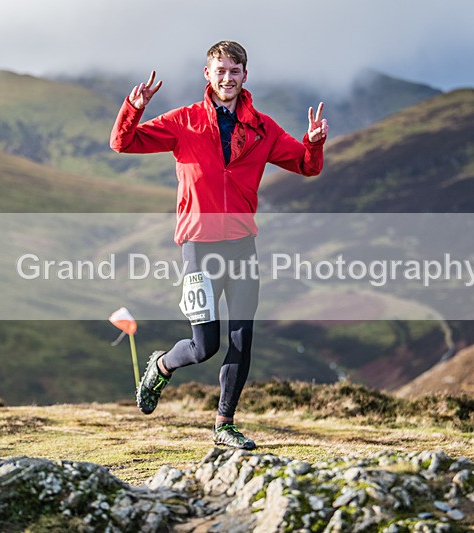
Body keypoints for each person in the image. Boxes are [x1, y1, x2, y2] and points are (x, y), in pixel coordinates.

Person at [110, 40, 328, 450]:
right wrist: (133, 108)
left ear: (246, 75)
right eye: (220, 71)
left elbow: (306, 165)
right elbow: (123, 143)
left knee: (242, 338)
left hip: (243, 245)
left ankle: (224, 424)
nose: (228, 78)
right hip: (199, 246)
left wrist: (313, 141)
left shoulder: (262, 128)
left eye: (235, 71)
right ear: (207, 75)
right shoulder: (184, 121)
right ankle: (160, 365)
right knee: (204, 346)